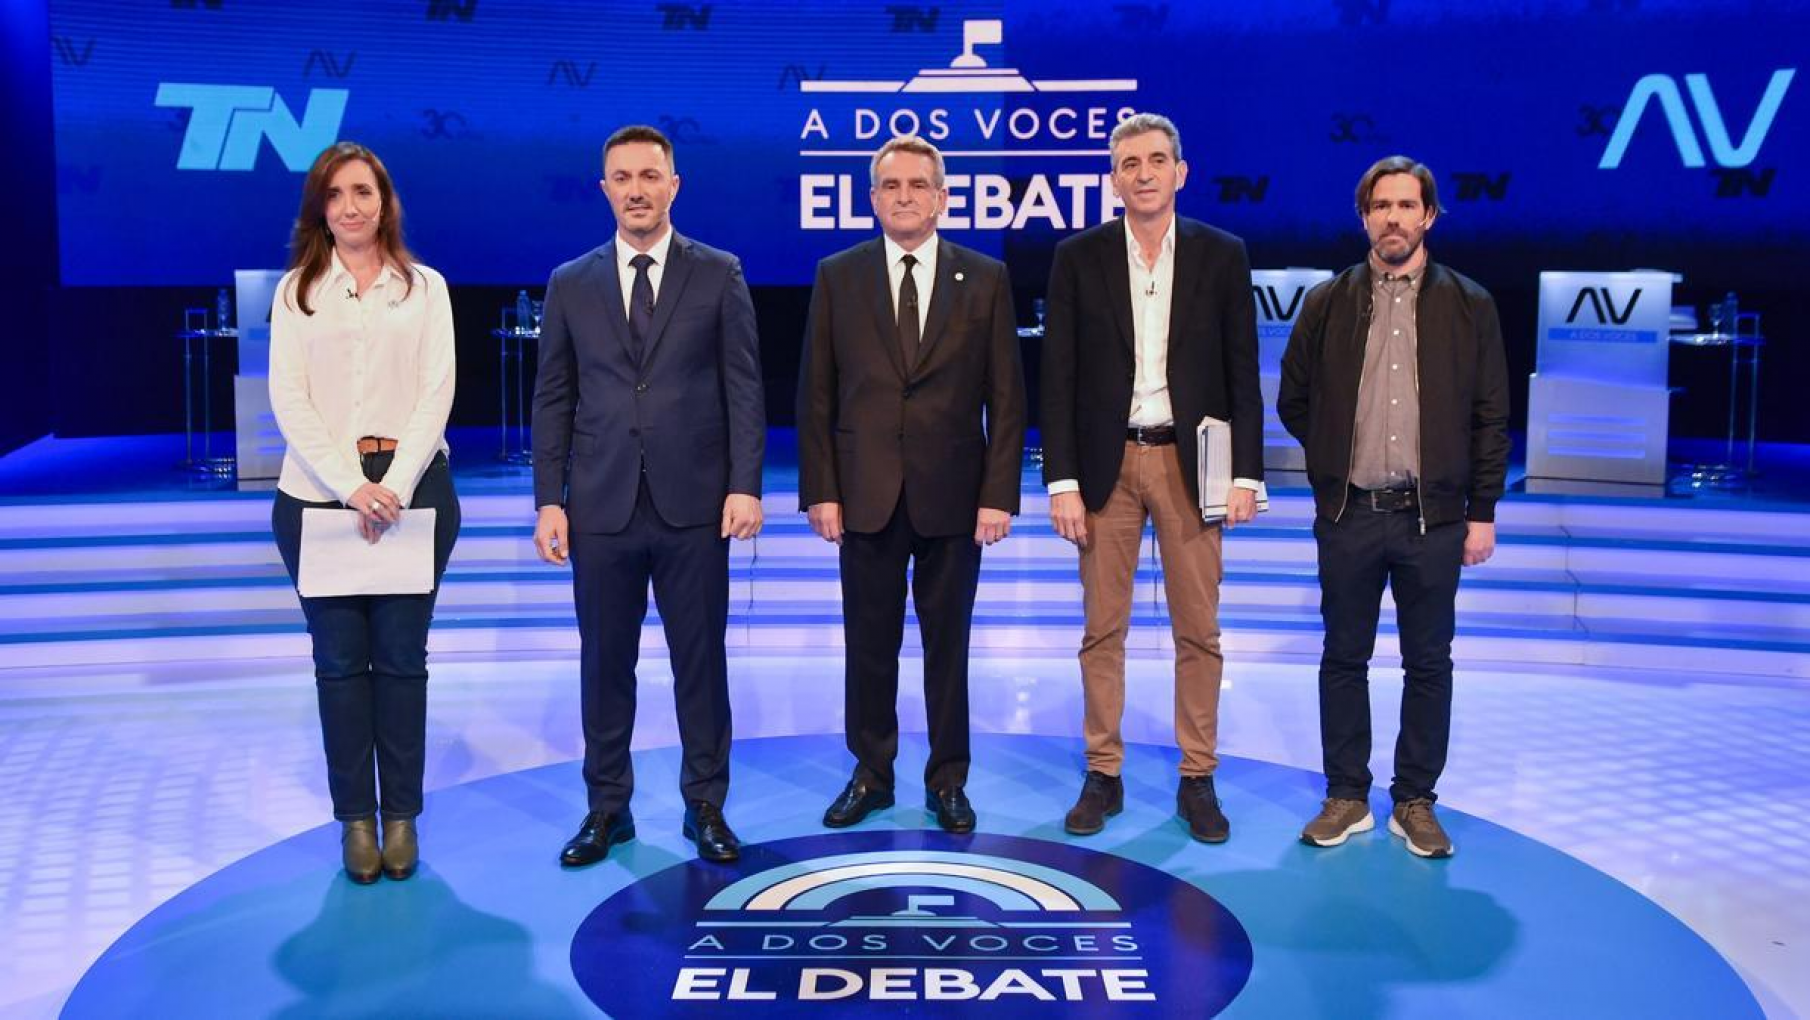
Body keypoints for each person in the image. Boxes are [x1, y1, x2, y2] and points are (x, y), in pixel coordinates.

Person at [531, 125, 765, 866]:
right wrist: (549, 498)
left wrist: (745, 484)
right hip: (599, 507)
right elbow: (554, 397)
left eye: (649, 175)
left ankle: (706, 806)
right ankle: (608, 809)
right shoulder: (571, 282)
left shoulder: (718, 272)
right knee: (605, 665)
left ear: (674, 185)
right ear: (605, 189)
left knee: (701, 663)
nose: (636, 188)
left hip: (696, 504)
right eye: (622, 177)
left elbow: (743, 387)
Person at [1040, 113, 1263, 844]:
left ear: (1180, 171)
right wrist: (1062, 479)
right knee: (1103, 628)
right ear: (1114, 178)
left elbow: (1241, 373)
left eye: (1156, 160)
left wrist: (1245, 477)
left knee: (1199, 630)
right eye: (1129, 162)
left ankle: (1197, 776)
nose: (1142, 172)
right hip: (1105, 464)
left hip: (1193, 458)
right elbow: (1059, 375)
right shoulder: (1078, 257)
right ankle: (1103, 771)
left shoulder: (1222, 254)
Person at [1279, 155, 1509, 858]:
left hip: (1431, 517)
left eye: (1407, 206)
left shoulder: (1469, 304)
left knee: (1428, 662)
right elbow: (1294, 399)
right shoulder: (1327, 301)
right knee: (1343, 657)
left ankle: (1415, 799)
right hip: (1350, 513)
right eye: (1381, 206)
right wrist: (1331, 466)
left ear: (1429, 216)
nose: (1394, 218)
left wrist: (1482, 510)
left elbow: (1490, 414)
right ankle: (1347, 795)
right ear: (1364, 217)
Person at [797, 135, 1027, 833]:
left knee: (947, 647)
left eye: (917, 185)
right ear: (872, 200)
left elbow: (1008, 397)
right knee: (868, 644)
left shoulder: (984, 278)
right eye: (890, 186)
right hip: (863, 495)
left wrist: (998, 494)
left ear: (942, 197)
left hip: (954, 498)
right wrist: (822, 490)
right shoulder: (839, 275)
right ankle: (871, 772)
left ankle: (948, 778)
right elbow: (816, 393)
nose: (903, 197)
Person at [269, 141, 461, 885]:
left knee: (403, 661)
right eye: (336, 194)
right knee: (340, 666)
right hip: (319, 497)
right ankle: (356, 818)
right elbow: (291, 400)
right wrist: (353, 485)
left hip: (414, 494)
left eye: (364, 192)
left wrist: (396, 482)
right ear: (320, 207)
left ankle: (402, 816)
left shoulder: (425, 288)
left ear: (385, 202)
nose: (351, 207)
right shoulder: (296, 293)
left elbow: (436, 391)